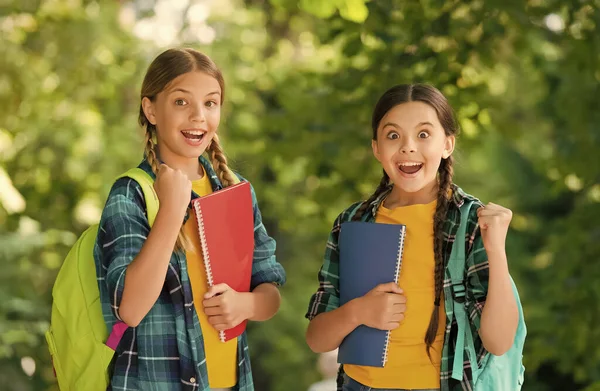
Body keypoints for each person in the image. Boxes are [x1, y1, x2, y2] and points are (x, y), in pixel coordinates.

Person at [94, 47, 286, 391]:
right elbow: (131, 310)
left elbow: (270, 293)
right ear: (150, 109)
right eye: (182, 102)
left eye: (210, 103)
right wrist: (170, 210)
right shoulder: (131, 194)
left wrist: (246, 304)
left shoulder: (236, 190)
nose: (199, 116)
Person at [305, 84, 519, 391]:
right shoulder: (352, 222)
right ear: (376, 148)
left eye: (423, 134)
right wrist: (359, 311)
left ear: (447, 143)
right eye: (393, 135)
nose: (407, 147)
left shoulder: (470, 221)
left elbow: (498, 342)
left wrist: (496, 248)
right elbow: (317, 338)